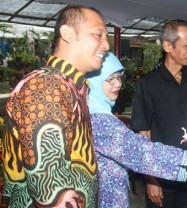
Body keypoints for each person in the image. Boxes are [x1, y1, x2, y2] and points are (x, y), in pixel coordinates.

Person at [87, 52, 187, 207]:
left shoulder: (97, 111)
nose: (118, 84)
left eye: (119, 77)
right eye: (110, 79)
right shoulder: (97, 119)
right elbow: (140, 150)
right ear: (92, 81)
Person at [1, 5, 109, 207]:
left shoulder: (70, 86)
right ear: (68, 34)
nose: (106, 45)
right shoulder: (46, 86)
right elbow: (50, 190)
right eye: (98, 35)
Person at [131, 19, 187, 208]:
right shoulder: (148, 84)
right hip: (161, 175)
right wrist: (150, 179)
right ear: (167, 46)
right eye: (186, 45)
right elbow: (143, 135)